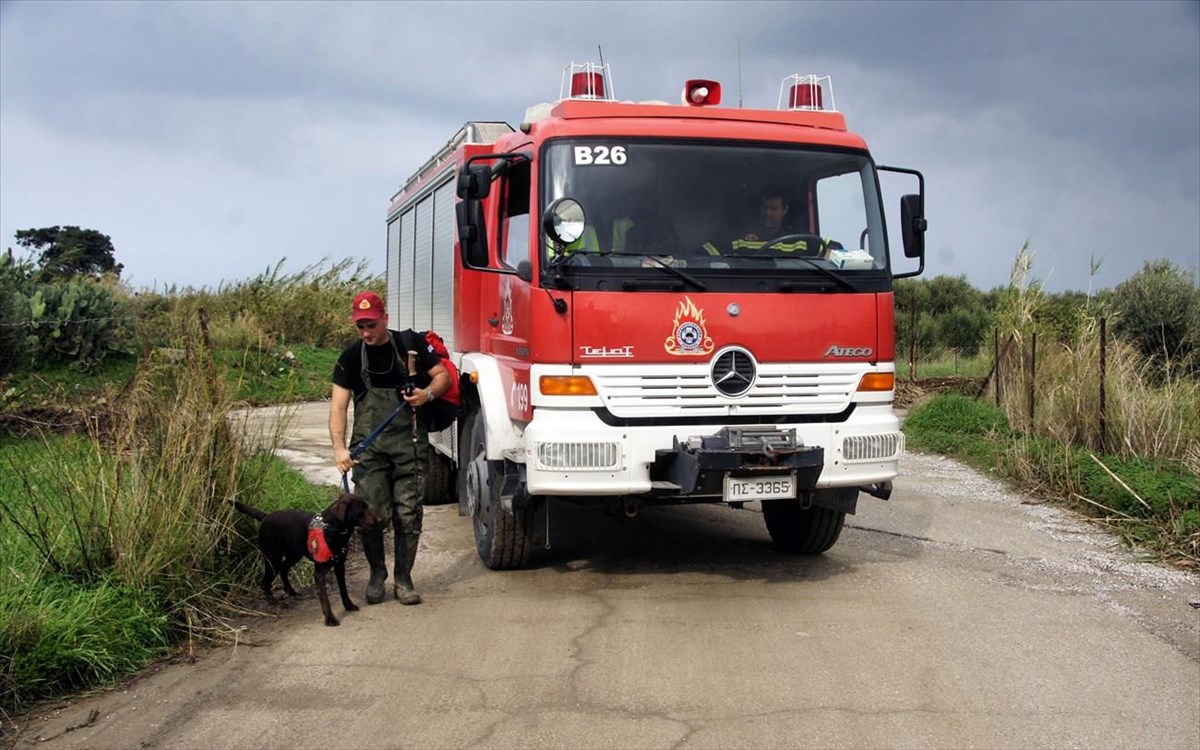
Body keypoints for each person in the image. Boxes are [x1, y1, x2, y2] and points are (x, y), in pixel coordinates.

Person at [329, 291, 450, 606]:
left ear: (386, 318)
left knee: (408, 515)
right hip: (368, 451)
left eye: (371, 324)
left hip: (409, 445)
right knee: (372, 516)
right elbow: (338, 408)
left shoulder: (410, 345)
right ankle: (376, 575)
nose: (366, 332)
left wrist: (427, 395)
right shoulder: (351, 357)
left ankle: (404, 580)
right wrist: (340, 449)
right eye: (360, 327)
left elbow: (443, 377)